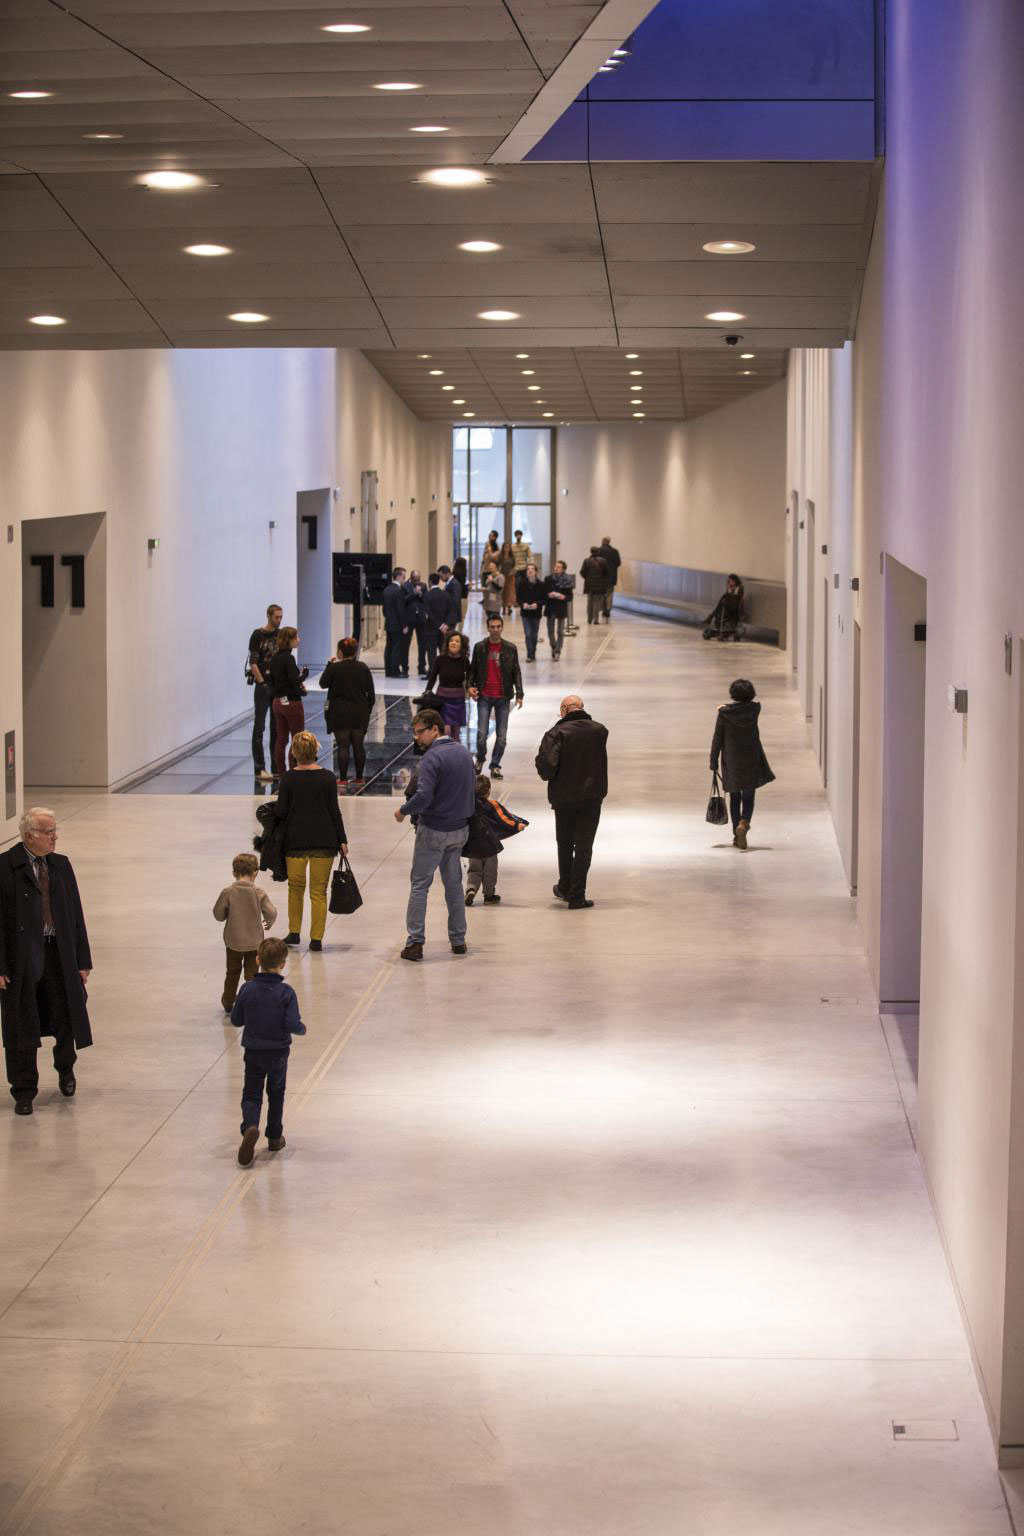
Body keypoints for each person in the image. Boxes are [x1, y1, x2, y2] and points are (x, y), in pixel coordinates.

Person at [0, 807, 92, 1115]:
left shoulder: (61, 865)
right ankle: (24, 1089)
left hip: (58, 953)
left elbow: (75, 914)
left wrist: (83, 959)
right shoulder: (5, 867)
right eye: (48, 832)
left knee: (65, 1015)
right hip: (21, 960)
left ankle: (66, 1069)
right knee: (21, 1024)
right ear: (29, 836)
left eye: (55, 831)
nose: (54, 837)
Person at [394, 709, 476, 961]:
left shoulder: (431, 758)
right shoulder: (464, 753)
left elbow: (424, 795)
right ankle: (458, 939)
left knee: (420, 885)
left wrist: (403, 811)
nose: (417, 737)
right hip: (459, 829)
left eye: (420, 732)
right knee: (453, 885)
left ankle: (415, 942)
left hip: (434, 830)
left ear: (435, 730)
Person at [271, 731, 348, 951]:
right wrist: (342, 839)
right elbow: (335, 812)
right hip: (324, 841)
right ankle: (316, 939)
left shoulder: (287, 778)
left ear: (294, 753)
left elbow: (282, 811)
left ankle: (294, 933)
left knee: (295, 888)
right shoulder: (327, 777)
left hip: (295, 842)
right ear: (315, 751)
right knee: (319, 892)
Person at [232, 936, 305, 1166]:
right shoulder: (286, 993)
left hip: (253, 1050)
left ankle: (250, 1126)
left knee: (251, 1093)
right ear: (283, 963)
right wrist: (301, 1029)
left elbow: (236, 1020)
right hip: (278, 1053)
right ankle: (274, 1137)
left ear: (257, 959)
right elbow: (293, 1024)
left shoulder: (247, 989)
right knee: (276, 1093)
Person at [535, 694, 609, 910]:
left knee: (565, 843)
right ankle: (576, 893)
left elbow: (547, 768)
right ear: (582, 708)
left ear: (564, 710)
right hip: (592, 797)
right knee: (584, 846)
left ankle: (566, 888)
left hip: (564, 797)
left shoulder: (556, 733)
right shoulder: (600, 730)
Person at [710, 678, 775, 849]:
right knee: (748, 795)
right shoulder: (755, 709)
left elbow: (717, 738)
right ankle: (744, 824)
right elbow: (746, 707)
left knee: (735, 797)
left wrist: (713, 761)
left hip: (731, 760)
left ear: (733, 694)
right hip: (751, 757)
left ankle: (735, 833)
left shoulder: (724, 713)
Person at [213, 852, 277, 1014]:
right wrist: (267, 923)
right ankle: (253, 1001)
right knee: (252, 974)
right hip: (254, 942)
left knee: (232, 971)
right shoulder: (259, 893)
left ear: (234, 873)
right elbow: (271, 912)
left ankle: (228, 1000)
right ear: (255, 872)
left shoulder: (228, 892)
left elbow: (218, 914)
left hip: (233, 941)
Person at [469, 615, 524, 780]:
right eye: (492, 626)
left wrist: (519, 694)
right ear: (488, 628)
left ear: (501, 627)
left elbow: (516, 672)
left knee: (501, 736)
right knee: (481, 733)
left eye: (498, 626)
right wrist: (470, 687)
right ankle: (480, 759)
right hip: (484, 695)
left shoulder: (510, 648)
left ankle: (495, 765)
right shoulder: (480, 647)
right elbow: (472, 669)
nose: (495, 629)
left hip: (503, 696)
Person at [464, 773, 528, 906]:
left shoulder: (469, 805)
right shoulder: (492, 804)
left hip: (472, 845)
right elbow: (504, 818)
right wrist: (518, 825)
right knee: (490, 871)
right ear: (488, 791)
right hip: (489, 845)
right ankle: (489, 895)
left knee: (474, 869)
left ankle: (471, 888)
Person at [320, 637, 375, 789]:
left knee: (342, 746)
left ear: (340, 652)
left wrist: (329, 665)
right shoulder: (363, 667)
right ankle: (359, 777)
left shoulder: (335, 667)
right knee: (359, 746)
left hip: (339, 712)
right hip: (359, 711)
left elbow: (322, 683)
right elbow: (371, 694)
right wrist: (367, 711)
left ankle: (343, 779)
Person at [247, 603, 282, 780]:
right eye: (276, 617)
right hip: (263, 686)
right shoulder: (258, 635)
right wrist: (262, 683)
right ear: (268, 616)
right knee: (259, 727)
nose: (279, 620)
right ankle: (259, 767)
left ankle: (276, 766)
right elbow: (253, 662)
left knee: (276, 728)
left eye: (281, 617)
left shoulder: (280, 635)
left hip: (277, 686)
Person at [267, 626, 308, 777]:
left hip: (278, 702)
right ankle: (293, 771)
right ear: (289, 640)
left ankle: (281, 772)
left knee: (281, 739)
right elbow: (294, 681)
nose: (299, 640)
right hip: (292, 702)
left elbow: (271, 680)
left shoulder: (274, 658)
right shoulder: (289, 658)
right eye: (296, 637)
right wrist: (304, 675)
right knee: (297, 738)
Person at [427, 629, 472, 739]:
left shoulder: (464, 660)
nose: (454, 643)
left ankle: (455, 753)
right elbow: (432, 677)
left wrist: (470, 688)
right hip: (442, 699)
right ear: (447, 643)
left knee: (456, 732)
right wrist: (427, 691)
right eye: (451, 641)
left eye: (457, 641)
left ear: (462, 645)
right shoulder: (440, 659)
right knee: (446, 730)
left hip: (458, 699)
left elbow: (470, 677)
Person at [424, 571, 459, 671]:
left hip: (431, 628)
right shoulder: (446, 595)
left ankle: (432, 672)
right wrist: (446, 625)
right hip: (444, 629)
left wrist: (438, 625)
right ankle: (444, 670)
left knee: (431, 651)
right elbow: (451, 611)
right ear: (439, 582)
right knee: (443, 650)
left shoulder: (427, 595)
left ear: (430, 582)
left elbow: (429, 614)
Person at [516, 561, 546, 661]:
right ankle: (530, 654)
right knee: (528, 634)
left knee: (534, 634)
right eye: (528, 569)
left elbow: (544, 599)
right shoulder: (522, 584)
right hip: (525, 613)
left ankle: (533, 649)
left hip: (536, 613)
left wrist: (537, 604)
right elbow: (518, 598)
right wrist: (522, 604)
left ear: (536, 572)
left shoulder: (541, 584)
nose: (530, 571)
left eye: (532, 569)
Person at [382, 566, 409, 677]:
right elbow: (400, 610)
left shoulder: (386, 589)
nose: (404, 579)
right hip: (397, 625)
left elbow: (384, 609)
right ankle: (395, 671)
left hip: (389, 623)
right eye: (403, 577)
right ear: (398, 576)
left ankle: (388, 670)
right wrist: (404, 625)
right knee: (397, 648)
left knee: (389, 647)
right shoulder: (398, 591)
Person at [703, 574, 747, 641]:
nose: (730, 582)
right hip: (727, 607)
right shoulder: (729, 588)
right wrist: (729, 589)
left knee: (724, 597)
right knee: (722, 603)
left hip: (734, 608)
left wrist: (730, 589)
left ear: (735, 581)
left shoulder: (740, 588)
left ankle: (711, 617)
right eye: (729, 581)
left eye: (731, 581)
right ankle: (712, 618)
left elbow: (737, 599)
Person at [544, 560, 573, 659]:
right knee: (550, 631)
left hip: (561, 607)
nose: (556, 568)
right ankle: (554, 646)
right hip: (551, 607)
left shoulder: (567, 580)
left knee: (560, 631)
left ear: (563, 569)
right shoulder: (548, 579)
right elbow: (544, 592)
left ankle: (557, 651)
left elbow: (570, 597)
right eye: (555, 566)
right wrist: (549, 594)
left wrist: (562, 596)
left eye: (559, 567)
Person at [403, 569, 428, 677]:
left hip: (421, 619)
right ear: (411, 578)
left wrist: (421, 594)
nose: (417, 582)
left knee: (422, 644)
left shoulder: (423, 585)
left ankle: (421, 667)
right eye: (415, 580)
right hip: (409, 619)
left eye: (418, 580)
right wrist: (414, 593)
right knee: (406, 644)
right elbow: (403, 600)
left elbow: (426, 600)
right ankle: (404, 667)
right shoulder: (404, 586)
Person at [580, 546, 611, 625]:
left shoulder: (586, 561)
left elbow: (582, 572)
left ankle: (589, 619)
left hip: (589, 585)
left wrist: (587, 578)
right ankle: (596, 619)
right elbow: (608, 572)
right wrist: (603, 580)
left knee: (589, 602)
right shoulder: (603, 561)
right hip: (600, 586)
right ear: (598, 552)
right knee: (597, 602)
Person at [599, 536, 622, 618]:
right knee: (609, 594)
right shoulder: (615, 551)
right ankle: (608, 610)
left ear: (603, 541)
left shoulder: (599, 551)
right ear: (609, 542)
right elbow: (619, 563)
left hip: (601, 578)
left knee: (602, 594)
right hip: (611, 577)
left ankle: (603, 609)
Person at [438, 565, 463, 629]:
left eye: (441, 576)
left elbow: (455, 601)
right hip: (449, 615)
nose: (441, 579)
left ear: (447, 573)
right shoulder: (449, 583)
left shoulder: (454, 584)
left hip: (452, 615)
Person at [498, 540, 516, 614]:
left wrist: (513, 571)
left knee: (510, 592)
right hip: (502, 576)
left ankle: (509, 608)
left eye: (508, 547)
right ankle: (504, 608)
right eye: (505, 547)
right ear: (503, 548)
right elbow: (498, 566)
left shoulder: (512, 556)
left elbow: (514, 566)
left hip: (510, 577)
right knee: (503, 592)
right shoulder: (500, 556)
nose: (507, 549)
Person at [452, 555, 469, 626]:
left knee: (456, 616)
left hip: (455, 597)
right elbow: (462, 586)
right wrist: (468, 586)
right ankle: (460, 632)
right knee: (462, 616)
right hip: (462, 597)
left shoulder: (454, 573)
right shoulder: (461, 573)